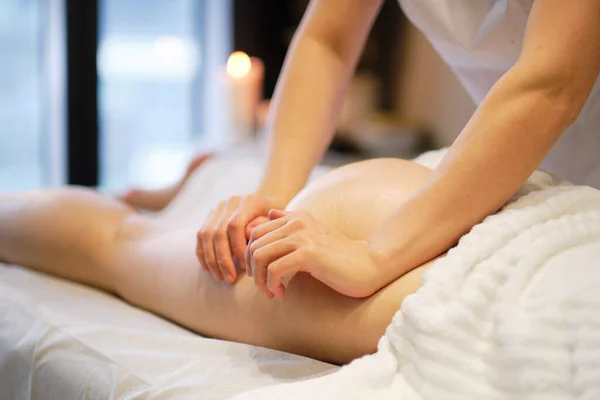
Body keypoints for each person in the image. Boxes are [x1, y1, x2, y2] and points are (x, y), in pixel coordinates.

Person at [1, 0, 599, 365]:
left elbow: (551, 81)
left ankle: (189, 178)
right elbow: (328, 36)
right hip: (493, 207)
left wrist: (375, 251)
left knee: (128, 244)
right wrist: (277, 197)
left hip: (519, 206)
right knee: (126, 249)